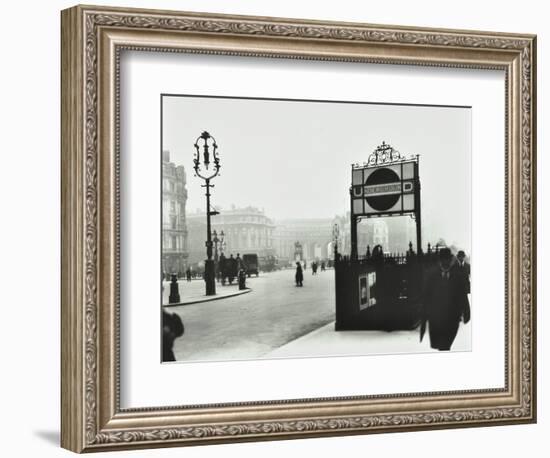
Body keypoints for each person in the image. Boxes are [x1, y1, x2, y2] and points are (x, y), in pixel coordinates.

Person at [421, 247, 470, 351]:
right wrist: (424, 318)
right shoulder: (431, 276)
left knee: (445, 345)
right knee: (442, 346)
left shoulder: (457, 276)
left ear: (450, 260)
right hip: (436, 319)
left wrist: (466, 312)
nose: (445, 263)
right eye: (443, 260)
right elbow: (426, 297)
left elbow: (463, 295)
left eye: (447, 260)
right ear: (439, 261)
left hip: (452, 318)